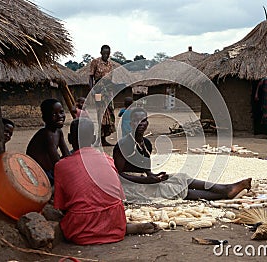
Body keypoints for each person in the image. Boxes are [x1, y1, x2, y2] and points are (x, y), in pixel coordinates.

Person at [53, 118, 159, 245]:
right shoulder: (108, 160)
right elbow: (119, 197)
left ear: (69, 139)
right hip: (116, 224)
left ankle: (100, 227)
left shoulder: (61, 166)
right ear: (93, 139)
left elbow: (61, 206)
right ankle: (119, 227)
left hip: (80, 232)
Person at [113, 107, 252, 202]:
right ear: (131, 123)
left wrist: (155, 177)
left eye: (143, 120)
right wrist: (147, 181)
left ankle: (225, 188)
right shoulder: (123, 145)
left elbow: (147, 171)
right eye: (137, 121)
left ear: (147, 122)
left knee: (181, 177)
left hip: (145, 181)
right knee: (172, 189)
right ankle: (226, 192)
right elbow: (118, 176)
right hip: (130, 187)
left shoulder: (147, 143)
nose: (141, 124)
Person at [26, 99, 70, 185]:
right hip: (39, 174)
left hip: (50, 171)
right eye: (54, 114)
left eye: (61, 112)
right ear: (45, 118)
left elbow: (67, 154)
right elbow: (56, 162)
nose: (59, 116)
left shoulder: (58, 132)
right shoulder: (46, 134)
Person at [89, 45, 116, 146]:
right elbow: (91, 77)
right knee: (101, 113)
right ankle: (99, 139)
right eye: (104, 53)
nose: (106, 55)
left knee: (110, 113)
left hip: (108, 91)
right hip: (98, 90)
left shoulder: (110, 64)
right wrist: (92, 90)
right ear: (100, 52)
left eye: (108, 53)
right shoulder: (95, 62)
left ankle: (104, 138)